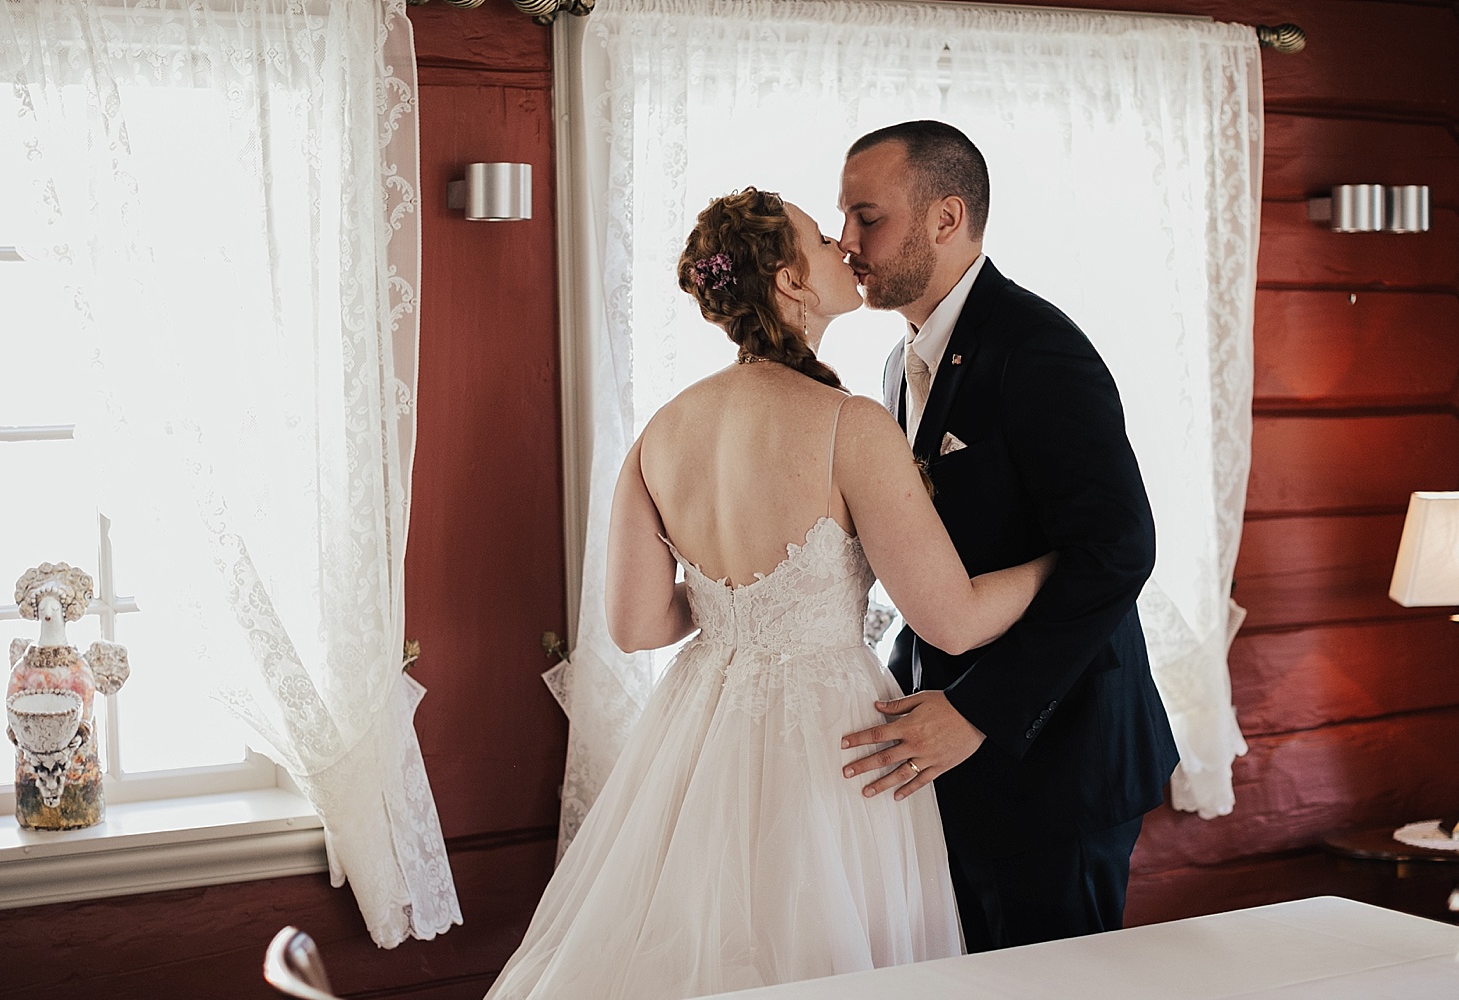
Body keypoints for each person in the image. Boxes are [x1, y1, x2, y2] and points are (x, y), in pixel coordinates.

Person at [483, 187, 1055, 1000]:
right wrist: (1059, 565)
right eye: (822, 239)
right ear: (790, 281)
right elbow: (953, 620)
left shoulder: (662, 431)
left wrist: (733, 606)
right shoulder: (851, 424)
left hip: (698, 732)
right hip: (831, 742)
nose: (843, 247)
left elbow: (637, 625)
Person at [836, 120, 1180, 952]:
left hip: (1061, 761)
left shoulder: (1039, 348)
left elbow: (1118, 549)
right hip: (953, 765)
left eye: (867, 217)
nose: (846, 240)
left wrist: (977, 712)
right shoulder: (898, 366)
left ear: (946, 218)